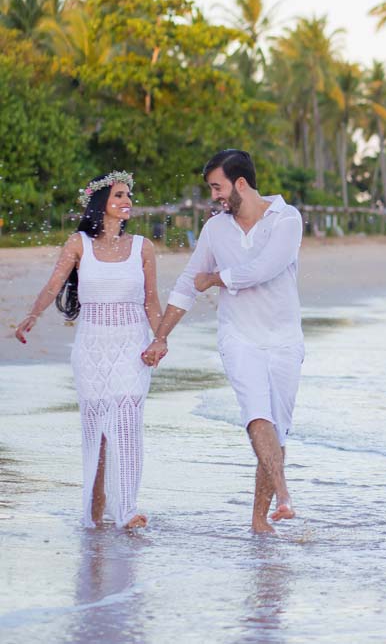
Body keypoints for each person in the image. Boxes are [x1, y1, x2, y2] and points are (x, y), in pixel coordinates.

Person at [141, 149, 305, 534]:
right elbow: (186, 282)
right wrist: (161, 336)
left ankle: (259, 520)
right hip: (238, 336)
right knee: (256, 414)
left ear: (241, 184)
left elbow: (265, 269)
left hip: (284, 338)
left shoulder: (287, 219)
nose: (213, 195)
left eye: (217, 187)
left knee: (278, 429)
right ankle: (284, 495)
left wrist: (215, 279)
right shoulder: (215, 229)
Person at [15, 171, 161, 530]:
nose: (127, 201)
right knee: (97, 430)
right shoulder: (79, 244)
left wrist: (161, 338)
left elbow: (152, 300)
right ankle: (95, 513)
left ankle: (127, 509)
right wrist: (32, 316)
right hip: (92, 347)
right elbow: (54, 286)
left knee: (126, 421)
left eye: (129, 195)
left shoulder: (144, 247)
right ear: (101, 203)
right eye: (119, 196)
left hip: (132, 345)